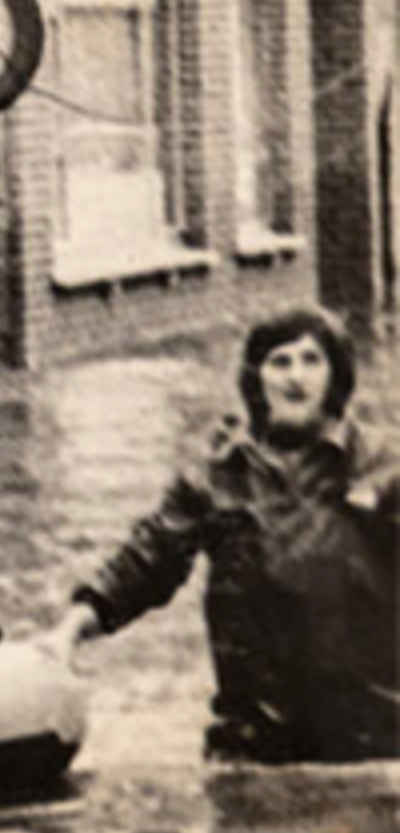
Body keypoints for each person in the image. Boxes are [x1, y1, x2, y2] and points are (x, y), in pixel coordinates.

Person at [38, 308, 400, 763]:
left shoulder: (386, 466)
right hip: (252, 744)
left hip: (374, 742)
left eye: (312, 360)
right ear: (257, 378)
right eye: (280, 362)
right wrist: (67, 633)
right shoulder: (219, 476)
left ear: (336, 376)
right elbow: (146, 560)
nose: (296, 377)